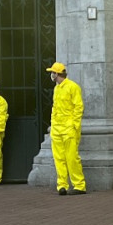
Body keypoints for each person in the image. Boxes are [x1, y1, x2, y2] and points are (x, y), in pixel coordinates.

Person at [47, 62, 86, 195]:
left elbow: (78, 107)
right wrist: (53, 124)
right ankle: (62, 185)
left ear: (57, 74)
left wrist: (74, 125)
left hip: (68, 127)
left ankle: (79, 185)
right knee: (59, 158)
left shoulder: (72, 87)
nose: (51, 75)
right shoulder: (57, 88)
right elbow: (55, 107)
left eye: (52, 72)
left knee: (71, 157)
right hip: (57, 128)